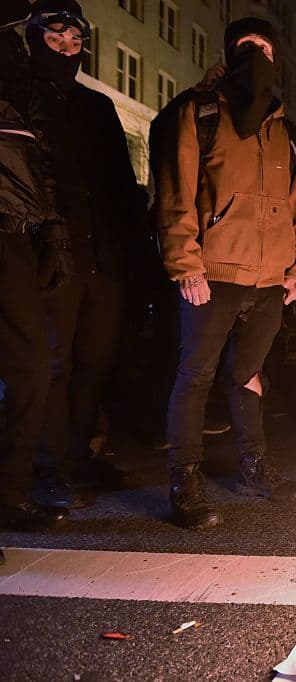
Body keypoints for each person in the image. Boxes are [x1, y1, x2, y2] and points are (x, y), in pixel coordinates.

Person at [157, 18, 296, 529]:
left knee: (248, 374)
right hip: (213, 274)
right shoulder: (201, 112)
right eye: (248, 48)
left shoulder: (287, 134)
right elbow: (175, 194)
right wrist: (186, 264)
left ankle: (254, 469)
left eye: (266, 49)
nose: (257, 57)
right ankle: (185, 481)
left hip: (269, 280)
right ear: (231, 54)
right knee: (195, 375)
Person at [25, 0, 145, 509]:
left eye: (74, 44)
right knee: (53, 363)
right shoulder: (22, 101)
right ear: (35, 39)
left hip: (103, 256)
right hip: (53, 253)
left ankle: (77, 454)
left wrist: (133, 248)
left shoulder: (97, 107)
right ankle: (47, 465)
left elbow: (120, 182)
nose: (66, 51)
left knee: (95, 360)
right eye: (55, 41)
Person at [0, 0, 68, 531]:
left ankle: (12, 491)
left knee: (30, 367)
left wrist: (49, 226)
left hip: (16, 233)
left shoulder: (15, 51)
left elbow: (30, 150)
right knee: (28, 366)